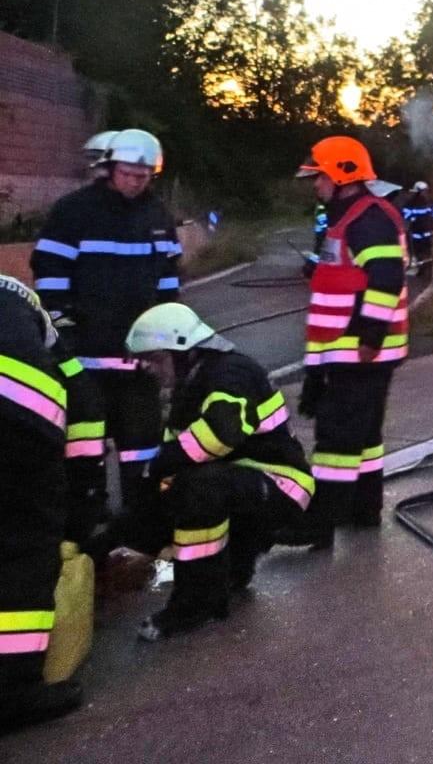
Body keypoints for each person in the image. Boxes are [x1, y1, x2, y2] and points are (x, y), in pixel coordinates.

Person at [90, 304, 313, 640]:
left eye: (156, 358)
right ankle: (232, 572)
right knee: (182, 491)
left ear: (184, 350)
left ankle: (196, 605)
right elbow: (167, 476)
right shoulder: (189, 388)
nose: (149, 369)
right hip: (242, 485)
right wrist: (116, 537)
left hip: (282, 485)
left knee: (200, 489)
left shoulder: (232, 373)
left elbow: (220, 434)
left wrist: (158, 467)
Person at [30, 128, 179, 512]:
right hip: (86, 362)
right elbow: (49, 274)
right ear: (110, 168)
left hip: (137, 361)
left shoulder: (158, 216)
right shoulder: (74, 212)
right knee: (83, 448)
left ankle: (140, 523)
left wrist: (164, 343)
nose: (135, 181)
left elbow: (167, 284)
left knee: (143, 447)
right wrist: (62, 327)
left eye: (143, 176)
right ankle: (85, 520)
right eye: (128, 173)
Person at [284, 136, 408, 548]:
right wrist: (316, 272)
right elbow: (350, 275)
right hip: (350, 349)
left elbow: (386, 277)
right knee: (365, 436)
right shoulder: (349, 216)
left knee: (336, 437)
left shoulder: (367, 218)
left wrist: (370, 336)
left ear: (340, 174)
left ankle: (319, 524)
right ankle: (363, 511)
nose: (314, 185)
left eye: (318, 177)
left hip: (361, 350)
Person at [0, 276, 86, 731]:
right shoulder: (25, 300)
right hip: (18, 422)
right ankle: (14, 692)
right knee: (24, 547)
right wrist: (85, 502)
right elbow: (80, 400)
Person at [402, 181, 433, 281]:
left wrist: (412, 219)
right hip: (428, 231)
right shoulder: (431, 202)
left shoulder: (410, 203)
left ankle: (423, 270)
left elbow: (406, 216)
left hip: (417, 232)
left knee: (419, 251)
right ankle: (426, 270)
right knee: (427, 250)